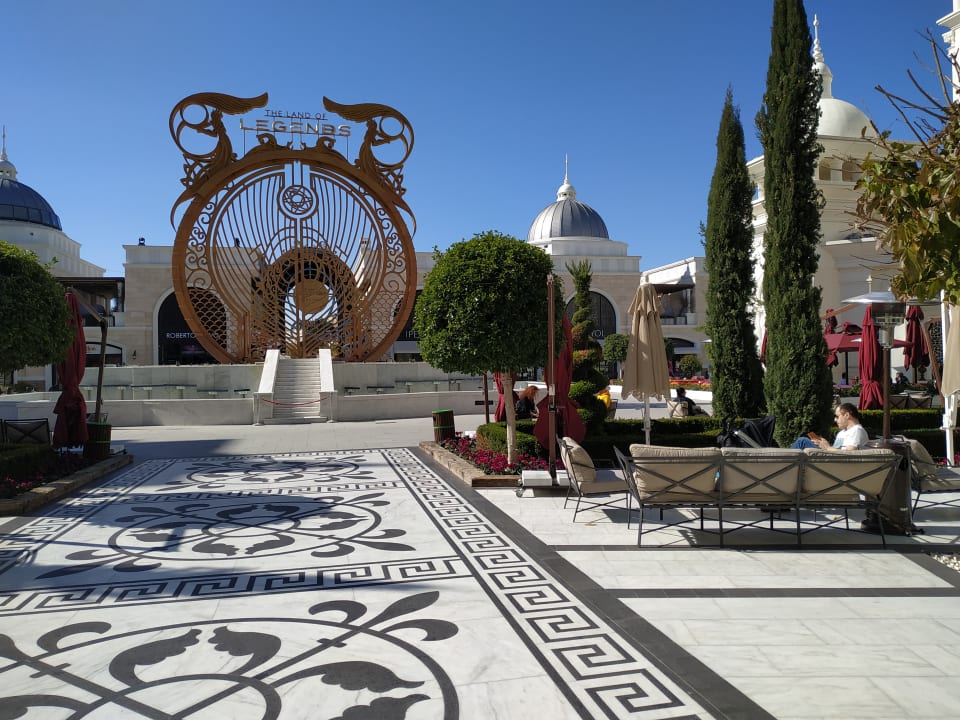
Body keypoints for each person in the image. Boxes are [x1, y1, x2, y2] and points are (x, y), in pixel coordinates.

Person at [790, 403, 869, 450]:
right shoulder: (842, 432)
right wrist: (824, 444)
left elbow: (849, 454)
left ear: (847, 415)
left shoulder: (857, 431)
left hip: (835, 463)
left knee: (802, 441)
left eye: (837, 416)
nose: (835, 420)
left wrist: (827, 447)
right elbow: (837, 449)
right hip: (831, 458)